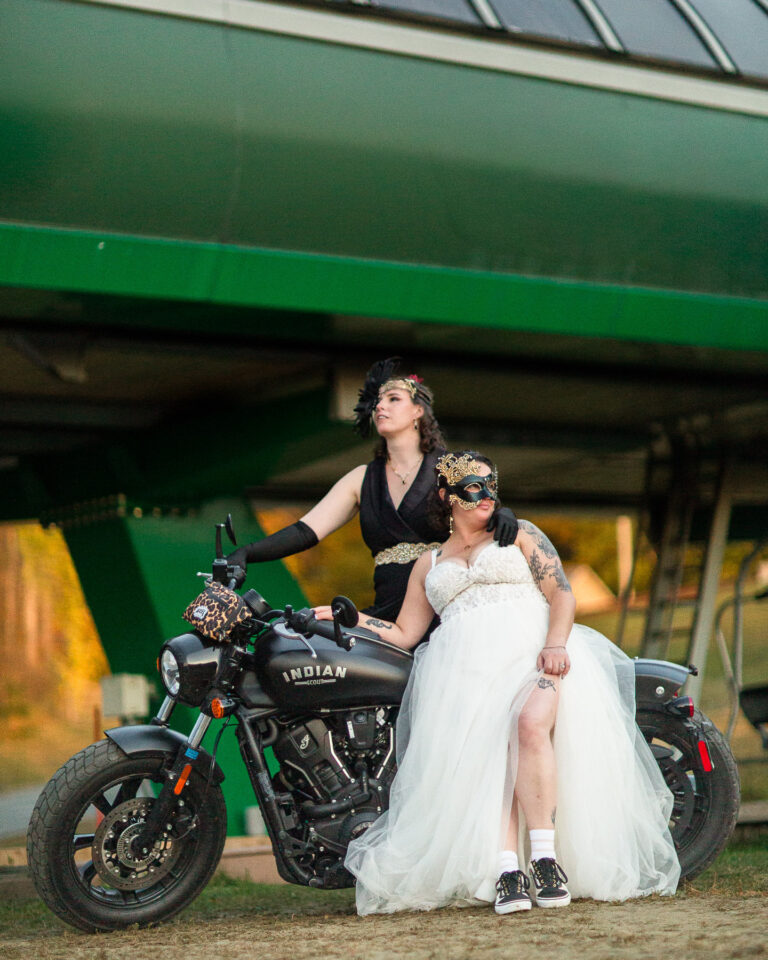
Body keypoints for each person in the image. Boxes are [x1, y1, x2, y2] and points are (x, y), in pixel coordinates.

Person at [314, 451, 680, 915]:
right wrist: (351, 619)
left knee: (529, 725)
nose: (486, 495)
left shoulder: (519, 535)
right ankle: (507, 869)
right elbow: (406, 633)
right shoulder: (428, 564)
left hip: (534, 656)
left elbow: (561, 593)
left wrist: (556, 644)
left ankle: (545, 860)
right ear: (447, 496)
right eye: (473, 487)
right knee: (491, 757)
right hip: (464, 674)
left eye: (492, 485)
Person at [228, 359, 518, 621]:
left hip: (447, 609)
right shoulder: (361, 478)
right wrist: (247, 552)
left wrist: (505, 514)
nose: (380, 407)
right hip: (386, 615)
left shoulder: (451, 469)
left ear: (418, 410)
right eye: (378, 402)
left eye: (393, 399)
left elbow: (484, 508)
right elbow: (306, 531)